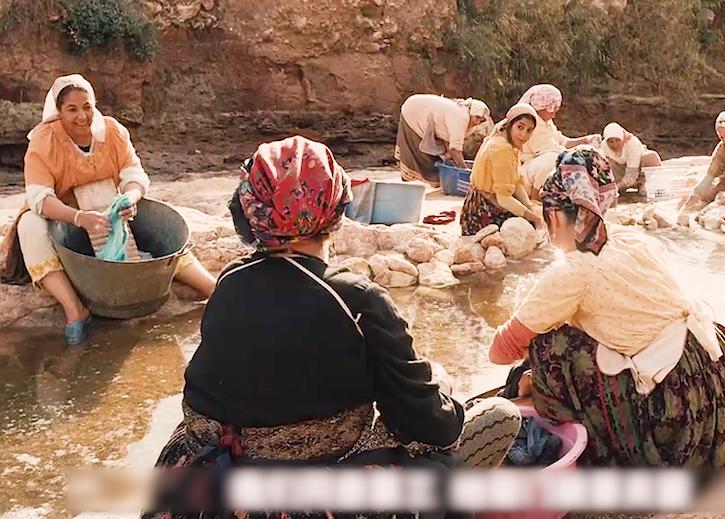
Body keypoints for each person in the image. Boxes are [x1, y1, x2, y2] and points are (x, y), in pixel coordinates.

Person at [146, 137, 520, 517]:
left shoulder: (228, 282)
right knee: (498, 418)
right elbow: (436, 426)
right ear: (337, 209)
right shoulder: (357, 300)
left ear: (250, 212)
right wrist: (439, 386)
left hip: (206, 490)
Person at [488, 146, 725, 466]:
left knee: (549, 346)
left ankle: (580, 425)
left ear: (554, 215)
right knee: (573, 334)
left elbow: (499, 352)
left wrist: (530, 343)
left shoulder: (573, 269)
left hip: (673, 420)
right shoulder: (633, 241)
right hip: (713, 385)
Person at [0, 74, 216, 346]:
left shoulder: (112, 131)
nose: (82, 116)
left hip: (109, 213)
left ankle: (213, 289)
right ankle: (75, 310)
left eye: (87, 106)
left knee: (158, 230)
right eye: (72, 109)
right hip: (64, 219)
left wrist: (129, 198)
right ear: (58, 111)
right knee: (29, 225)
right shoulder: (44, 140)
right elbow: (40, 198)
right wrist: (79, 218)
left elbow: (133, 173)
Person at [460, 103, 543, 235]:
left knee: (536, 212)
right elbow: (503, 198)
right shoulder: (502, 149)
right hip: (481, 214)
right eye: (520, 127)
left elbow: (515, 183)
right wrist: (534, 219)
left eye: (529, 130)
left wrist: (529, 206)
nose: (523, 135)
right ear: (510, 125)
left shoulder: (502, 140)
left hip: (476, 207)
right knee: (528, 229)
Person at [516, 84, 602, 199]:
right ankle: (534, 196)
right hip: (521, 173)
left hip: (532, 168)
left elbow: (561, 141)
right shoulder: (531, 122)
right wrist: (579, 153)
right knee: (552, 159)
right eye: (553, 110)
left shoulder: (546, 121)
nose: (554, 114)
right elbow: (552, 149)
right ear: (543, 106)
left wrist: (585, 140)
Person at [394, 93, 490, 186]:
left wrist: (451, 159)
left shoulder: (466, 118)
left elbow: (449, 142)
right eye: (477, 117)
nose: (478, 122)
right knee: (419, 154)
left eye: (481, 121)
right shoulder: (461, 117)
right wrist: (464, 171)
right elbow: (454, 149)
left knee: (441, 158)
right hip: (413, 112)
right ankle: (409, 180)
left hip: (419, 110)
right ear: (471, 113)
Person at [601, 122, 662, 196]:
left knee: (651, 157)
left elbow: (632, 174)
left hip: (637, 171)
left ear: (623, 139)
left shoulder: (632, 144)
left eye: (618, 140)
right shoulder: (604, 146)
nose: (615, 145)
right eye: (611, 141)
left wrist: (617, 187)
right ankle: (620, 188)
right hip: (621, 173)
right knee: (604, 162)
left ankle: (642, 183)